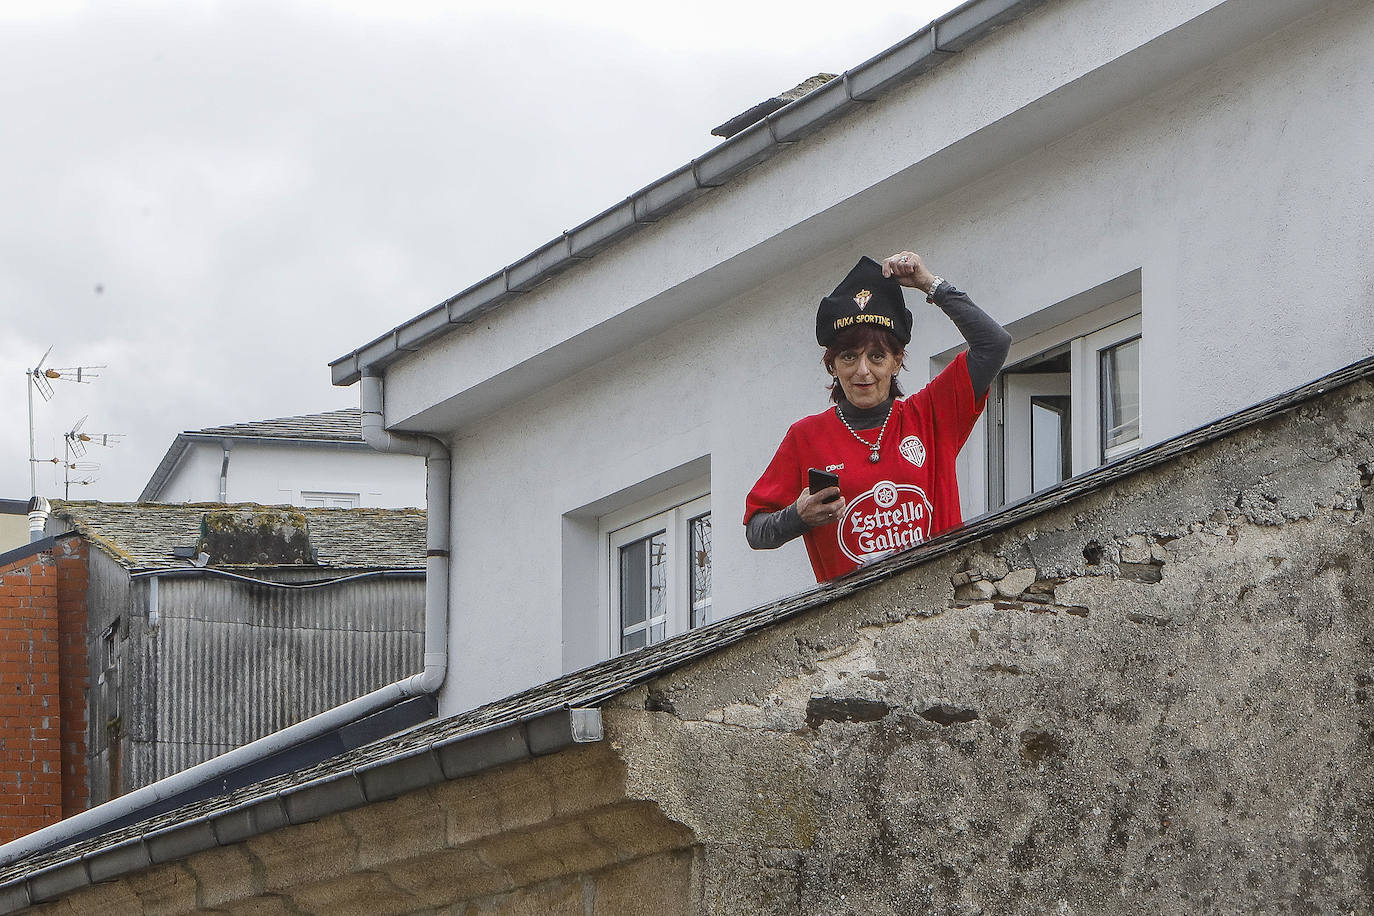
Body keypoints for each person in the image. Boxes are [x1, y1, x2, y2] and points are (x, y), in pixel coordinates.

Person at [744, 251, 1011, 582]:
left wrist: (930, 284)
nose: (863, 371)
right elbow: (756, 530)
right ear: (832, 365)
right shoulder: (806, 437)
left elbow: (994, 344)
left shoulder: (930, 413)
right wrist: (797, 517)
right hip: (857, 629)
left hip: (942, 615)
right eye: (848, 356)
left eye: (877, 356)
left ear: (897, 361)